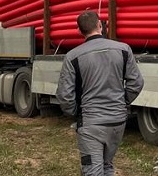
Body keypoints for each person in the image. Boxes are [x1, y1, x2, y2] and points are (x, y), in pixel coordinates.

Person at [56, 11, 144, 176]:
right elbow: (136, 83)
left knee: (93, 171)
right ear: (100, 25)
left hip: (91, 123)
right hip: (117, 122)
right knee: (107, 165)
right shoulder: (124, 49)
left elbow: (65, 95)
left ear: (79, 31)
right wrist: (122, 103)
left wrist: (76, 112)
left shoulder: (73, 57)